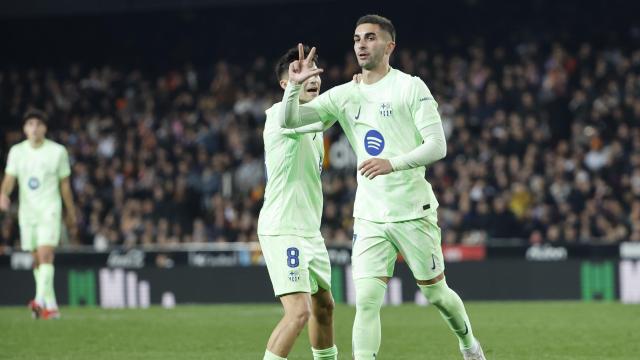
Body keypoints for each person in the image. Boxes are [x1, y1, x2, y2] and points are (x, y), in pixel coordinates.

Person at [279, 15, 487, 360]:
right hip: (370, 216)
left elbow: (438, 146)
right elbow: (290, 121)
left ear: (389, 46)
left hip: (412, 211)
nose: (361, 43)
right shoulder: (346, 94)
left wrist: (393, 163)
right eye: (357, 38)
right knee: (367, 303)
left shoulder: (410, 87)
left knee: (437, 295)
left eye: (370, 37)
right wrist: (294, 90)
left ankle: (468, 343)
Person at [257, 45, 338, 360]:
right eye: (301, 75)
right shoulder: (280, 115)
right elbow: (290, 118)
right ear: (286, 84)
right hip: (283, 227)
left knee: (325, 307)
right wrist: (294, 87)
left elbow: (333, 112)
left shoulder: (315, 123)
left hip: (309, 232)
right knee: (299, 313)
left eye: (315, 72)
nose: (312, 78)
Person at [0, 109, 77, 320]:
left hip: (50, 209)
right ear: (25, 129)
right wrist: (2, 194)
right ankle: (51, 306)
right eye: (30, 124)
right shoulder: (17, 152)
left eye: (38, 124)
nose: (34, 128)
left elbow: (65, 185)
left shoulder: (57, 152)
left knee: (45, 255)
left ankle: (39, 301)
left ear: (45, 128)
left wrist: (70, 212)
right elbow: (9, 179)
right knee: (36, 260)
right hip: (28, 212)